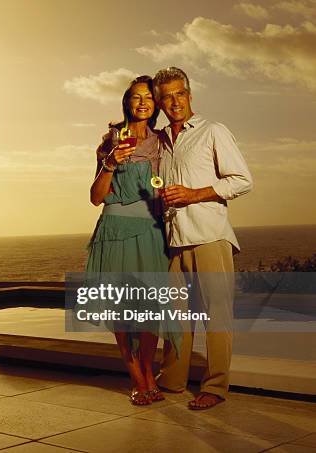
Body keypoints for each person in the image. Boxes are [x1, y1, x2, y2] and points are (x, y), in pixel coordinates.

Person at [153, 67, 253, 410]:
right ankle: (172, 380)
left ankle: (215, 387)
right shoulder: (161, 142)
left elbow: (242, 180)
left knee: (217, 315)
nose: (174, 101)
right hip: (174, 241)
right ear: (159, 101)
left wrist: (194, 194)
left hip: (210, 236)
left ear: (190, 94)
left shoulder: (213, 131)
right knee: (175, 318)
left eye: (180, 93)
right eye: (166, 96)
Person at [85, 75, 181, 406]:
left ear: (155, 106)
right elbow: (96, 197)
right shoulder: (110, 140)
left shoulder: (162, 142)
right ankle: (138, 379)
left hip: (152, 232)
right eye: (137, 96)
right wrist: (110, 163)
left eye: (149, 98)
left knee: (152, 310)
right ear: (127, 101)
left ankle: (148, 370)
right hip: (114, 230)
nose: (143, 102)